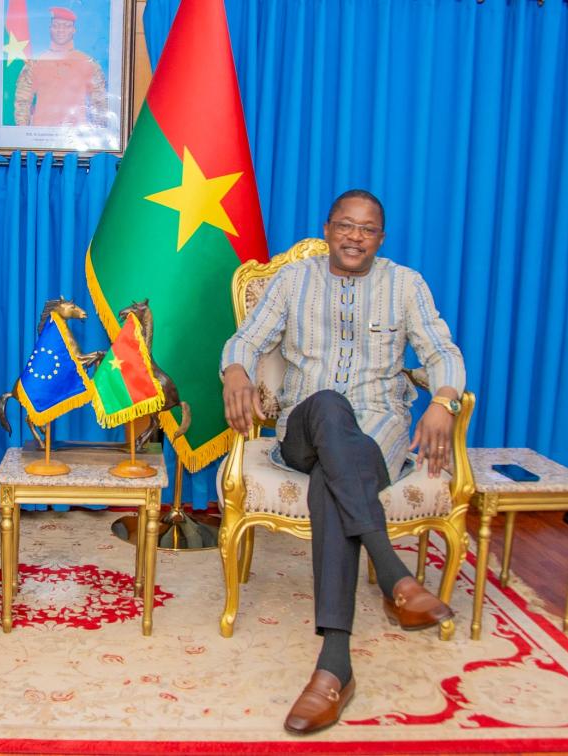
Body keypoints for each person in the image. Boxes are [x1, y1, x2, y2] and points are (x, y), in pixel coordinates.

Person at [221, 189, 466, 734]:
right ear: (328, 228)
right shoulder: (292, 280)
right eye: (346, 226)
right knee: (330, 407)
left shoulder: (406, 285)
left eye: (368, 229)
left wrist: (444, 402)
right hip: (303, 428)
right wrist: (236, 371)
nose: (356, 236)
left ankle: (335, 667)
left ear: (381, 237)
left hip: (380, 430)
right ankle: (396, 576)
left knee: (334, 479)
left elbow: (442, 352)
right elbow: (246, 339)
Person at [13, 6, 108, 128]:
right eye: (56, 25)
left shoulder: (89, 64)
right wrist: (23, 132)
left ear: (74, 30)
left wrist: (97, 137)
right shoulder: (35, 63)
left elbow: (100, 103)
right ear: (50, 29)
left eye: (66, 26)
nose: (60, 30)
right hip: (40, 139)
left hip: (77, 139)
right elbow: (22, 101)